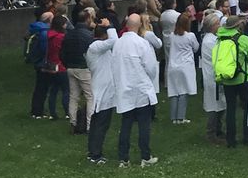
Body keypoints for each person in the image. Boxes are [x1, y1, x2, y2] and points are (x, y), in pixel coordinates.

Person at [113, 14, 159, 167]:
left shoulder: (118, 44)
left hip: (125, 88)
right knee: (144, 125)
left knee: (126, 124)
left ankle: (123, 158)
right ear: (139, 25)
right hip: (140, 88)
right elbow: (151, 67)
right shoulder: (141, 43)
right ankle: (145, 156)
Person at [215, 14, 248, 147]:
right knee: (247, 109)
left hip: (227, 79)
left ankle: (231, 140)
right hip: (244, 78)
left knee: (230, 110)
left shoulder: (220, 40)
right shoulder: (244, 39)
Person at [85, 19, 118, 165]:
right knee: (100, 124)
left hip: (106, 91)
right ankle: (95, 154)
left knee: (100, 124)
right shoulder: (96, 46)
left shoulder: (101, 49)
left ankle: (94, 151)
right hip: (101, 92)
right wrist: (110, 26)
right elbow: (114, 41)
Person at [62, 9, 96, 134]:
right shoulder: (88, 35)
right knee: (90, 97)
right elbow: (92, 53)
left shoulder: (69, 34)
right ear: (88, 19)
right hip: (83, 68)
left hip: (70, 68)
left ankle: (73, 122)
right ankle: (89, 126)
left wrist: (67, 64)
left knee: (74, 96)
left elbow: (62, 53)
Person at [165, 11, 199, 124]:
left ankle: (173, 117)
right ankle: (181, 117)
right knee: (183, 91)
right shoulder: (190, 36)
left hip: (173, 66)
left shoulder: (171, 36)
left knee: (174, 91)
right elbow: (196, 48)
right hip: (185, 66)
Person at [199, 11, 226, 144]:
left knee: (220, 105)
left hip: (215, 76)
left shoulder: (212, 39)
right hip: (212, 77)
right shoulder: (210, 41)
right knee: (214, 106)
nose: (220, 25)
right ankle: (211, 133)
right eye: (217, 23)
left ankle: (218, 130)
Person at [44, 15, 70, 120]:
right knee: (66, 90)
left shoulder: (49, 35)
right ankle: (67, 111)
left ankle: (52, 112)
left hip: (51, 65)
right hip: (61, 65)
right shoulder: (61, 37)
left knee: (53, 90)